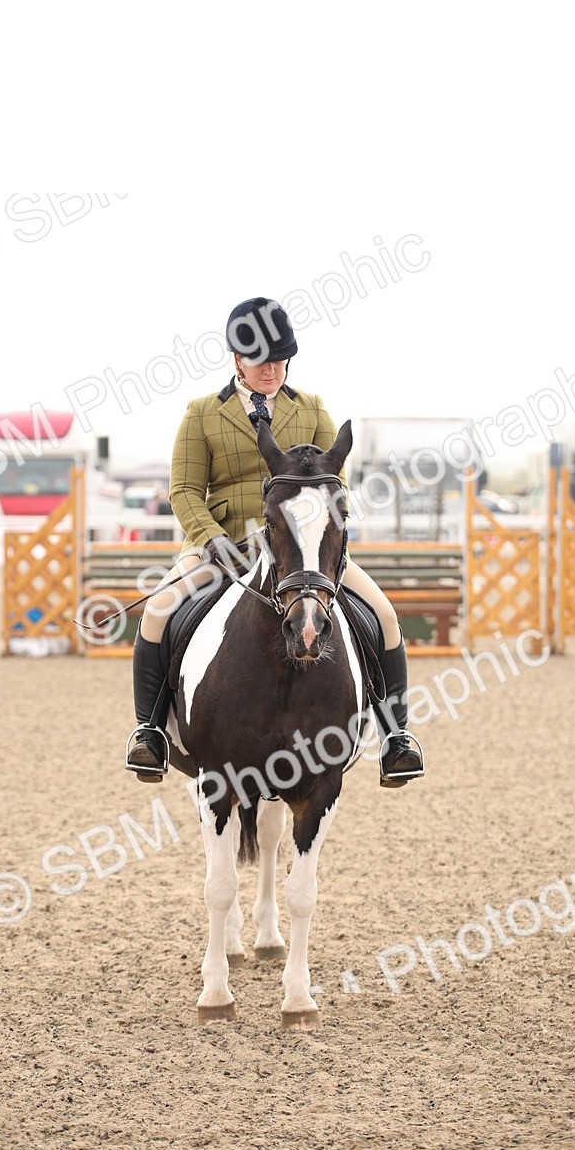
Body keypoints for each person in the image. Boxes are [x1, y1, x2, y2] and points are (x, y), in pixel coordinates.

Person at [125, 297, 424, 789]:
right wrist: (212, 539)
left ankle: (397, 738)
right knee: (158, 610)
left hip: (301, 550)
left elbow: (334, 484)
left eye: (280, 360)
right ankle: (150, 731)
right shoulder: (202, 414)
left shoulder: (311, 409)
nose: (272, 370)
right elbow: (183, 490)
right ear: (237, 359)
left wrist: (315, 534)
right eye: (261, 360)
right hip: (223, 546)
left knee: (385, 616)